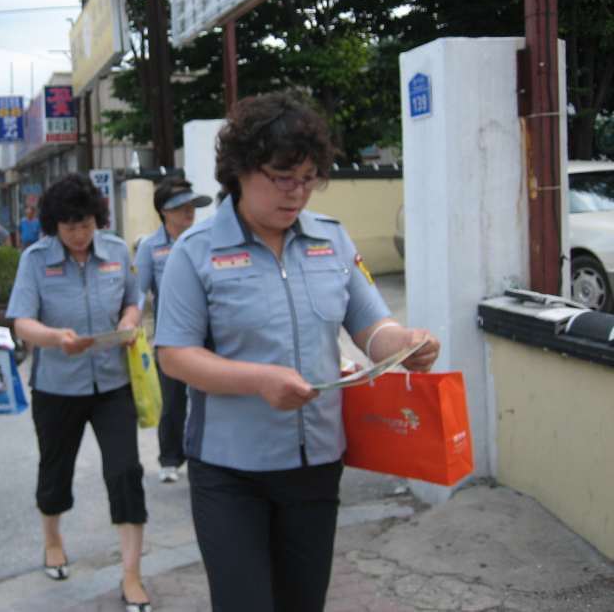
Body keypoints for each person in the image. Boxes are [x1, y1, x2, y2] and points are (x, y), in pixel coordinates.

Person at [154, 90, 441, 612]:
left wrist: (404, 345)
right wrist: (259, 380)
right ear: (241, 170)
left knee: (303, 603)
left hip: (316, 468)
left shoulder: (330, 242)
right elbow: (174, 354)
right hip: (229, 471)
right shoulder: (195, 253)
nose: (297, 193)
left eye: (308, 178)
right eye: (282, 178)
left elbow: (370, 325)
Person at [7, 173, 151, 612]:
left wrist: (129, 322)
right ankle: (52, 539)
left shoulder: (116, 250)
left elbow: (133, 298)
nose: (79, 234)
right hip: (57, 387)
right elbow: (21, 321)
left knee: (125, 472)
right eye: (69, 226)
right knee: (56, 470)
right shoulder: (35, 259)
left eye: (86, 224)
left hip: (112, 384)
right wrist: (54, 338)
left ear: (97, 218)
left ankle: (131, 574)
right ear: (55, 224)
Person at [134, 176, 212, 484]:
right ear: (164, 212)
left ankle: (204, 454)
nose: (188, 211)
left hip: (209, 334)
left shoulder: (206, 240)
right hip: (171, 338)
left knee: (208, 397)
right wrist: (131, 329)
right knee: (173, 400)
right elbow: (138, 294)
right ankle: (169, 458)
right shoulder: (150, 247)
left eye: (192, 204)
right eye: (180, 206)